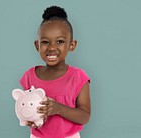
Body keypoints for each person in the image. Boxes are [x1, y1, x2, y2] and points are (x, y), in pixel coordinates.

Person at [20, 6, 91, 138]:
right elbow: (25, 107)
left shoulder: (78, 77)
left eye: (60, 41)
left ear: (72, 45)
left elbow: (85, 116)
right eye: (45, 42)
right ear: (37, 45)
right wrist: (29, 118)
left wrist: (59, 109)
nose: (52, 48)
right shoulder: (29, 76)